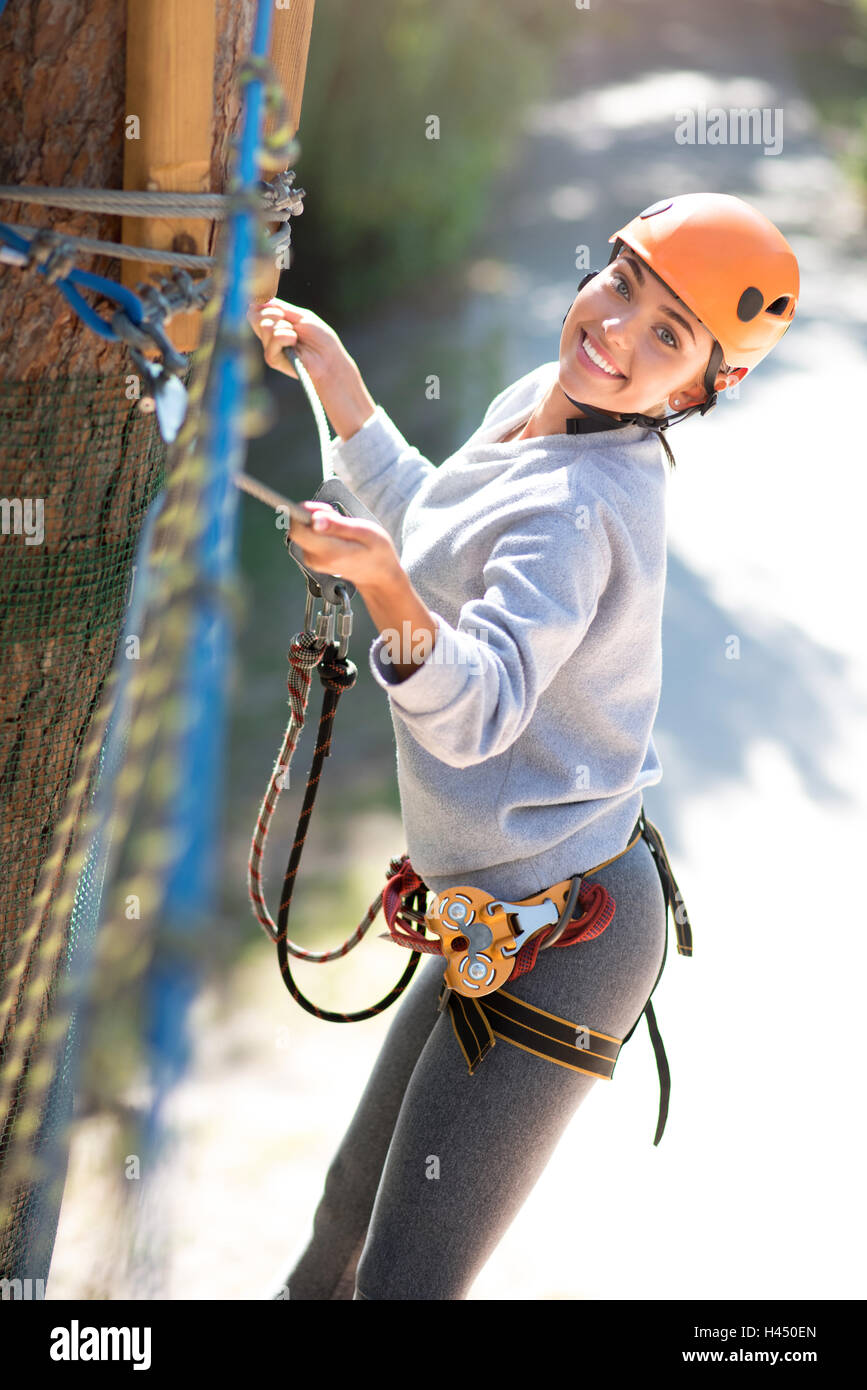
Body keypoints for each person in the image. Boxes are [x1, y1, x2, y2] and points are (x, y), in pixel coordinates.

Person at [247, 192, 799, 1300]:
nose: (616, 330)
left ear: (700, 389)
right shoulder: (537, 405)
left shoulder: (582, 509)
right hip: (491, 913)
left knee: (404, 1280)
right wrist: (336, 373)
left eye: (666, 336)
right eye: (623, 285)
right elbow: (431, 524)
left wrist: (382, 588)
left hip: (564, 939)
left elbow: (483, 703)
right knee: (339, 1233)